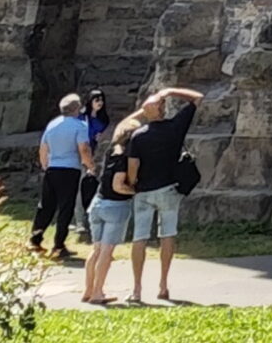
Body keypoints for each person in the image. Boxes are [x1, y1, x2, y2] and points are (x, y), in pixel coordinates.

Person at [124, 85, 203, 305]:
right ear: (163, 110)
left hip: (144, 191)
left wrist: (133, 184)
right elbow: (198, 97)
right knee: (167, 234)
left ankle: (137, 289)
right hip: (169, 187)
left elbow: (133, 166)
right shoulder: (175, 127)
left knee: (139, 238)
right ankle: (163, 285)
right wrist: (170, 92)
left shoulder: (138, 137)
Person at [80, 114, 141, 307]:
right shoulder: (124, 157)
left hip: (98, 203)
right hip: (116, 206)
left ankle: (88, 290)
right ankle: (98, 292)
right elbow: (118, 185)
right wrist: (134, 190)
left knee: (96, 250)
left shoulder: (111, 151)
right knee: (107, 252)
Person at [29, 93, 93, 260]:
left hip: (52, 168)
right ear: (76, 109)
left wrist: (45, 165)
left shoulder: (52, 124)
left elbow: (43, 148)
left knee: (46, 205)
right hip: (70, 169)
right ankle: (58, 245)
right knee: (66, 207)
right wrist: (90, 165)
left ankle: (35, 240)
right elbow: (84, 149)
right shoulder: (80, 126)